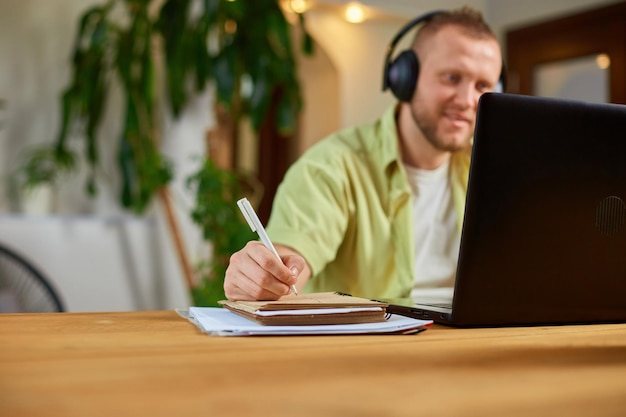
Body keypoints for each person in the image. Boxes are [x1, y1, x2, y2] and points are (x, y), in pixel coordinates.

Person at [224, 7, 504, 301]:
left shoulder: (493, 170)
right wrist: (263, 275)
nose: (468, 100)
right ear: (405, 77)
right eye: (451, 77)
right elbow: (291, 256)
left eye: (483, 85)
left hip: (469, 343)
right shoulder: (331, 166)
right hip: (362, 346)